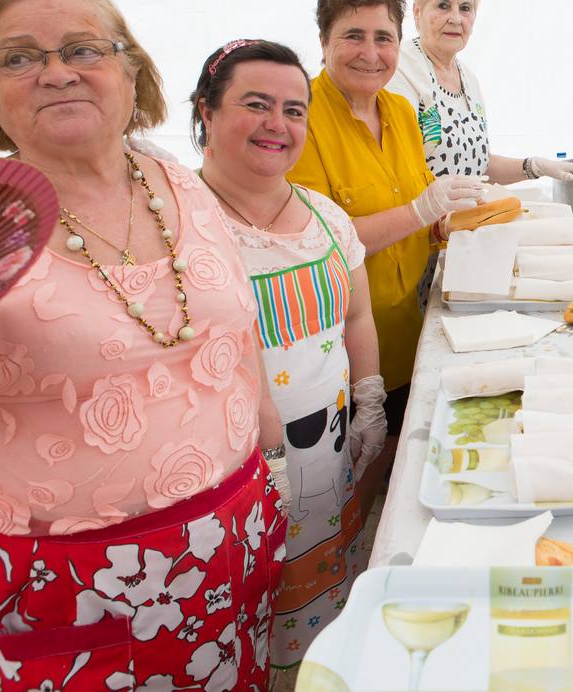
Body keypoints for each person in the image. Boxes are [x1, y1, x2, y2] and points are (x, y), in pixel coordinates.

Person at [0, 0, 286, 690]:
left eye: (81, 48)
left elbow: (234, 335)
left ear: (131, 71)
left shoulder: (174, 179)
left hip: (225, 547)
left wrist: (269, 451)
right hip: (61, 590)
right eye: (19, 58)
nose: (56, 71)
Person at [191, 39, 389, 675]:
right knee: (238, 626)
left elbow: (355, 316)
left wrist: (369, 402)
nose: (279, 124)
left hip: (326, 456)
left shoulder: (325, 216)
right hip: (234, 474)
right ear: (206, 113)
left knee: (322, 616)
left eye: (294, 110)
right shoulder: (178, 226)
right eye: (256, 104)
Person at [287, 0, 483, 434]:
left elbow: (418, 212)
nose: (371, 54)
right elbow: (319, 243)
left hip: (409, 334)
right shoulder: (301, 119)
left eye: (384, 38)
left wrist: (446, 226)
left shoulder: (399, 110)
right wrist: (421, 211)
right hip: (342, 354)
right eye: (353, 36)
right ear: (322, 40)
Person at [390, 0, 573, 183]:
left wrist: (534, 166)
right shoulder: (399, 69)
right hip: (420, 216)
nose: (455, 18)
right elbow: (400, 166)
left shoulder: (468, 80)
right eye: (443, 6)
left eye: (465, 8)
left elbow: (479, 164)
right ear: (417, 12)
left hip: (463, 214)